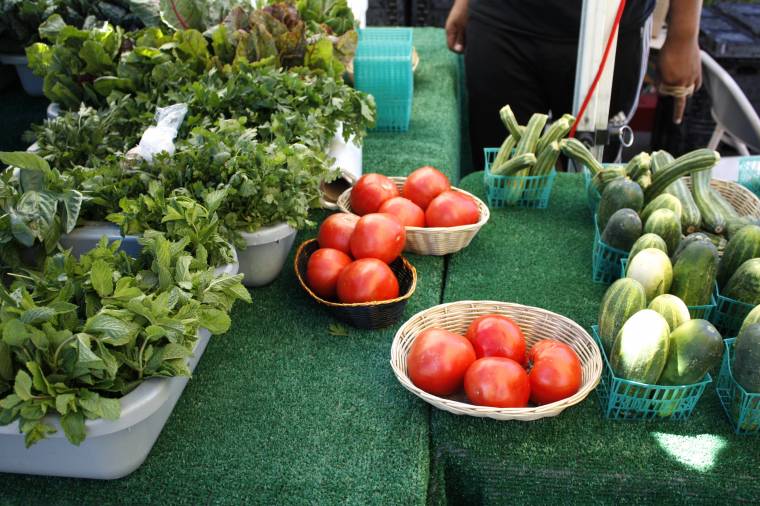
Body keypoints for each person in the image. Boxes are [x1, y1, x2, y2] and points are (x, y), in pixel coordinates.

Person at [446, 0, 703, 173]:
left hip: (607, 28)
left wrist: (684, 33)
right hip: (503, 20)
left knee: (594, 176)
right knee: (501, 170)